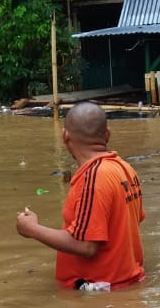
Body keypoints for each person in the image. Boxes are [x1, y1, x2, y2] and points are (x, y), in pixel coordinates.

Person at [16, 101, 145, 290]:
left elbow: (86, 246)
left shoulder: (92, 178)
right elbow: (133, 222)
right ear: (107, 135)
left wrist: (32, 229)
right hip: (126, 285)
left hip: (99, 293)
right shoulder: (125, 168)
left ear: (65, 136)